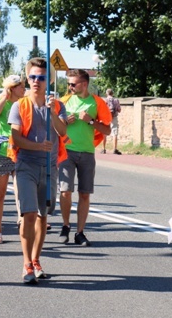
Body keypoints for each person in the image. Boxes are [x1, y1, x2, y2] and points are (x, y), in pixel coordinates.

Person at [9, 58, 67, 283]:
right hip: (26, 165)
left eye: (41, 78)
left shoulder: (58, 105)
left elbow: (62, 132)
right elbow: (16, 138)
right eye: (32, 77)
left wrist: (53, 113)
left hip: (50, 168)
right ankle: (26, 264)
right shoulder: (19, 105)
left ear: (48, 81)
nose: (36, 81)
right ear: (27, 79)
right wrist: (37, 146)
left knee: (43, 217)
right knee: (29, 214)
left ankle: (36, 260)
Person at [59, 69, 111, 246]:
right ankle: (66, 225)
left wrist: (90, 121)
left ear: (84, 84)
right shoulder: (64, 101)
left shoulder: (97, 103)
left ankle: (79, 232)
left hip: (87, 152)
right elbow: (54, 125)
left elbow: (107, 130)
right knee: (65, 191)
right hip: (66, 150)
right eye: (69, 84)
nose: (70, 87)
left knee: (84, 194)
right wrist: (65, 121)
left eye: (73, 84)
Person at [0, 75, 25, 244]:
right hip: (2, 151)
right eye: (21, 86)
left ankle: (21, 220)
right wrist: (4, 97)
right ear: (12, 88)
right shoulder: (2, 101)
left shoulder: (24, 103)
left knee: (21, 189)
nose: (24, 89)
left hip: (20, 149)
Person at [102, 88, 122, 155]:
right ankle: (114, 149)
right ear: (112, 93)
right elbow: (119, 110)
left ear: (106, 93)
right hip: (114, 117)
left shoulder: (105, 100)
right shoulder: (116, 100)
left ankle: (104, 149)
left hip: (106, 117)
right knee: (114, 132)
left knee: (104, 132)